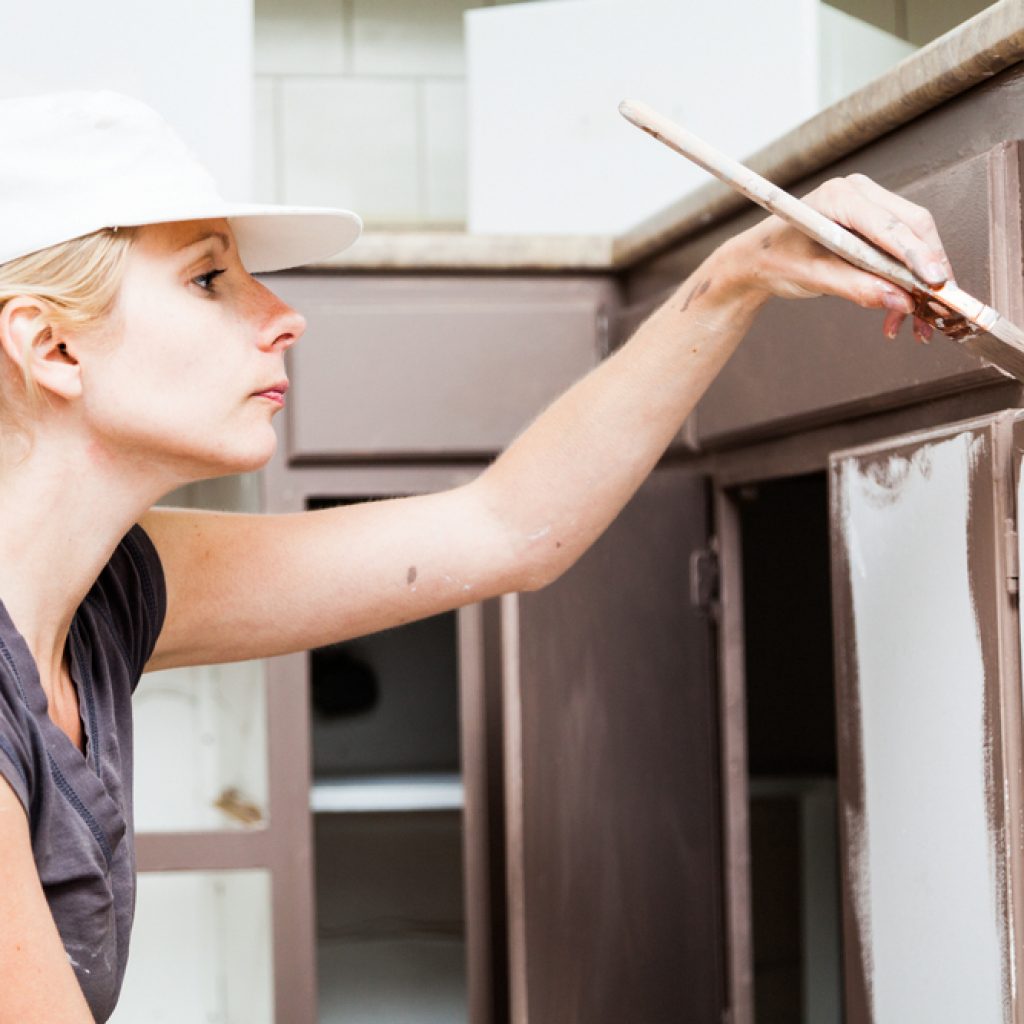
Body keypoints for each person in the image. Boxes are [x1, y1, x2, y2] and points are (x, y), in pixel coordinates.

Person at [0, 90, 953, 1022]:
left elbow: (506, 530)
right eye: (210, 279)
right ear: (52, 347)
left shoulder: (107, 593)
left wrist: (744, 270)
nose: (284, 314)